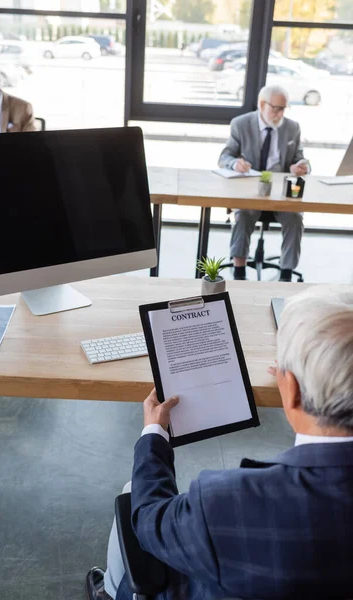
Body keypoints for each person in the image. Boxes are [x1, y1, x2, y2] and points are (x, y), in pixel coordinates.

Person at [87, 285, 353, 600]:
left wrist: (154, 433)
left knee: (133, 491)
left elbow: (149, 522)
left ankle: (108, 591)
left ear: (291, 390)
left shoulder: (228, 502)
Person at [218, 85, 310, 282]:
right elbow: (225, 157)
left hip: (280, 191)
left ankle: (286, 274)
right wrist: (235, 164)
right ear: (262, 104)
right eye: (276, 108)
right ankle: (239, 270)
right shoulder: (241, 124)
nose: (280, 114)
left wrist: (301, 166)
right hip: (250, 188)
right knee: (243, 214)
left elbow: (300, 159)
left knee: (295, 217)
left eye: (283, 109)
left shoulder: (292, 127)